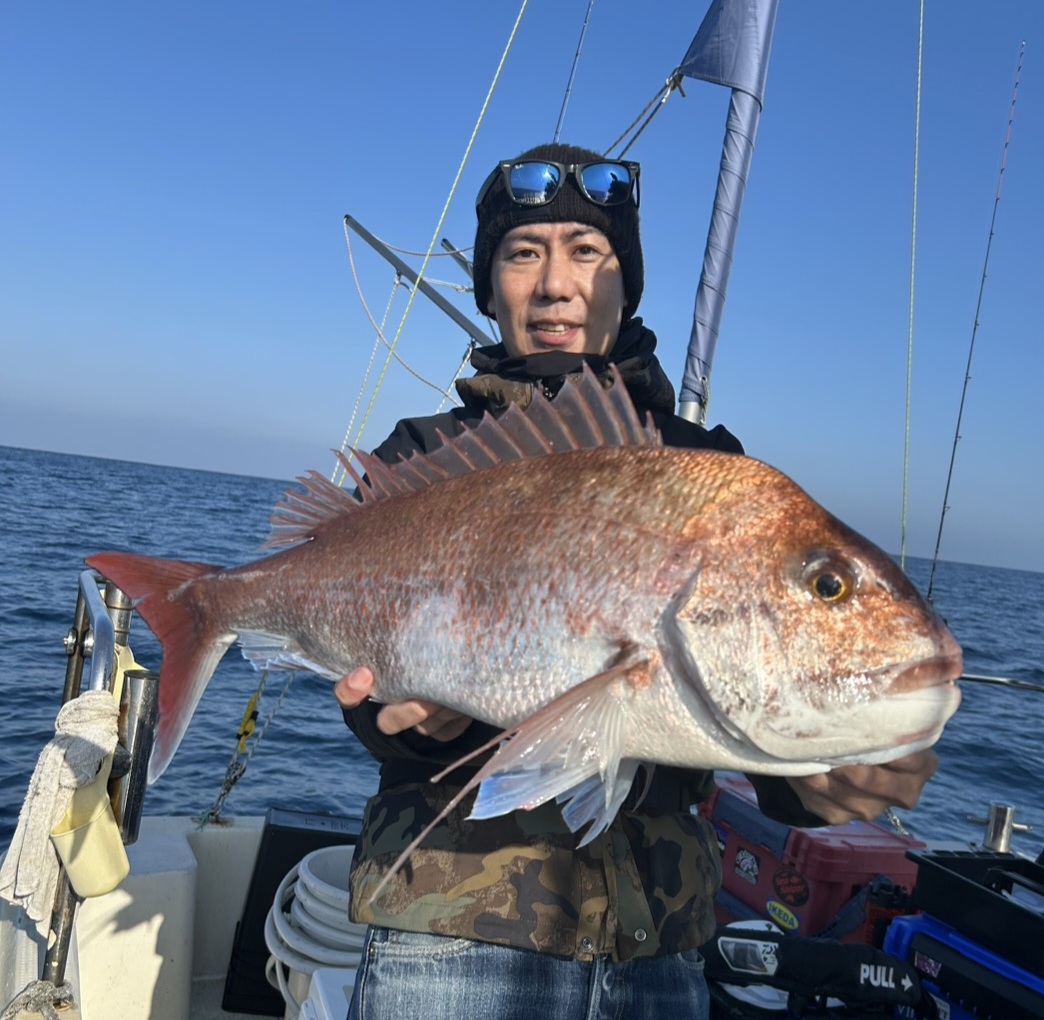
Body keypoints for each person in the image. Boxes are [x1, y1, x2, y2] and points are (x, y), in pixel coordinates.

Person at [334, 142, 939, 1019]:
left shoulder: (708, 468)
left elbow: (728, 699)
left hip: (658, 955)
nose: (553, 285)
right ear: (490, 281)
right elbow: (366, 699)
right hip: (449, 940)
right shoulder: (423, 460)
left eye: (587, 251)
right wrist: (414, 727)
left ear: (627, 278)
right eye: (521, 253)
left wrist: (814, 778)